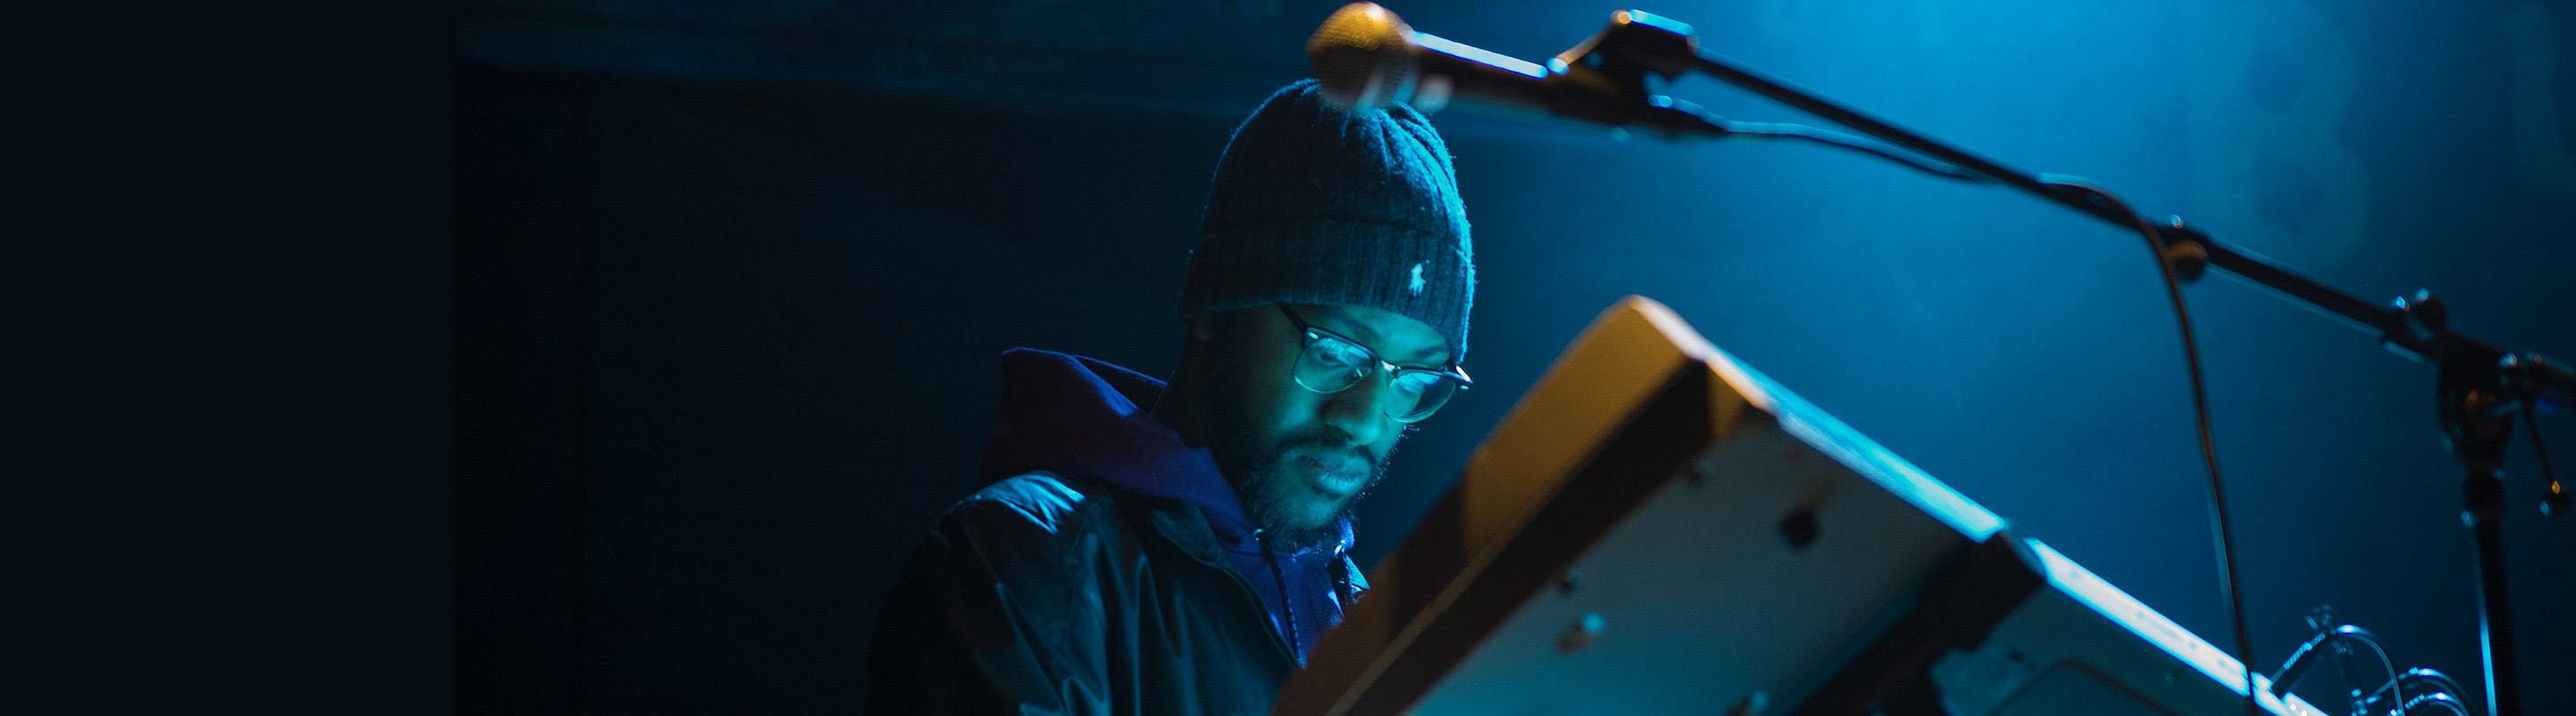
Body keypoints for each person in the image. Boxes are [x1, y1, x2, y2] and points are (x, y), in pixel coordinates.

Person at [864, 78, 1477, 715]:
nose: (1364, 419)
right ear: (1217, 305)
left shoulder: (1359, 614)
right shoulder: (1025, 560)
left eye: (1413, 379)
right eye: (1335, 351)